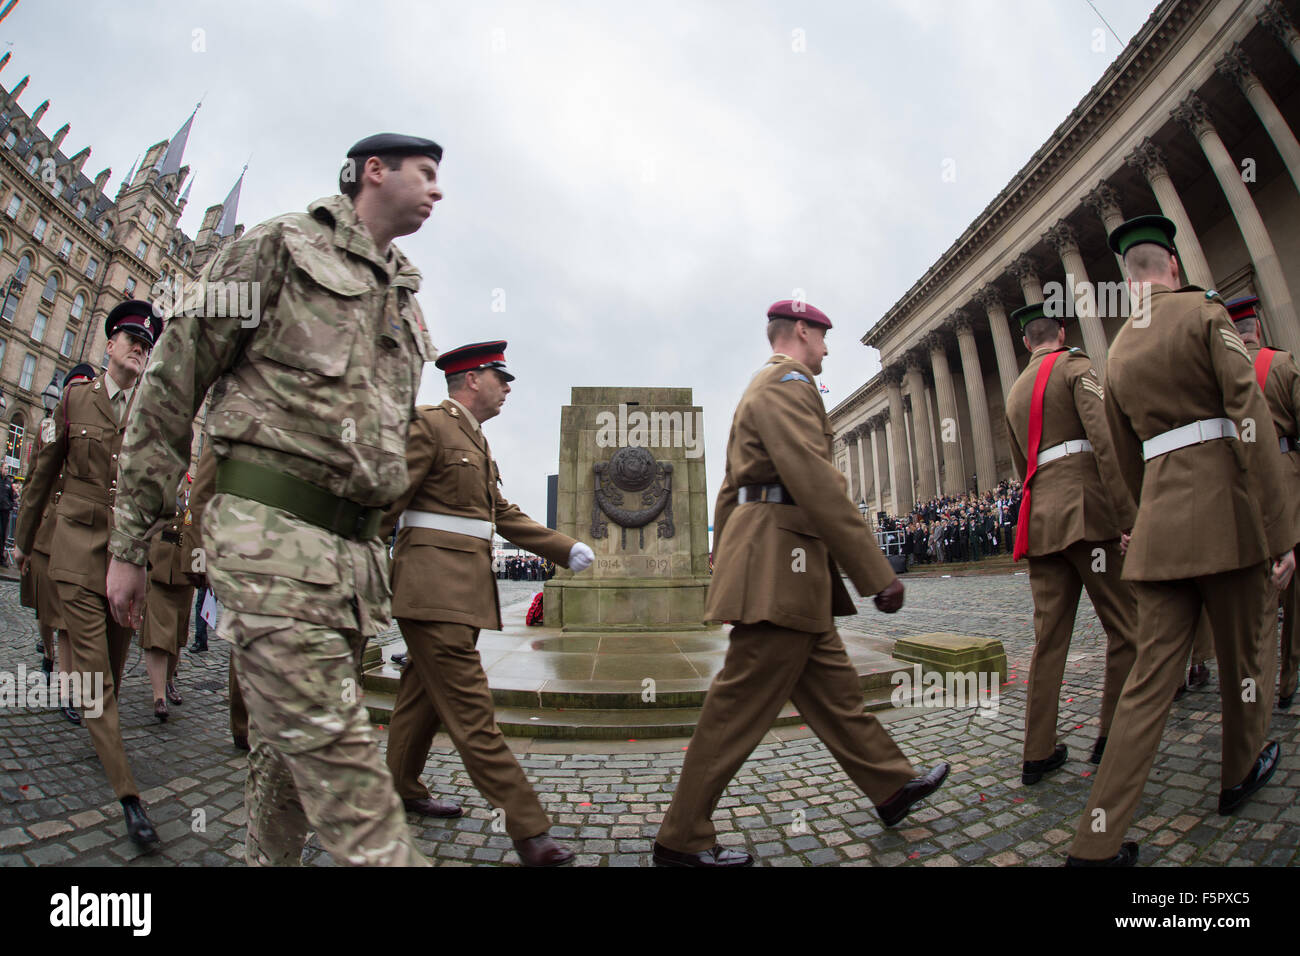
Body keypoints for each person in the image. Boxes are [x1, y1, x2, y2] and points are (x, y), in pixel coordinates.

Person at [105, 133, 443, 867]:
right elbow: (172, 377)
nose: (437, 190)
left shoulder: (408, 304)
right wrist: (131, 543)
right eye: (425, 173)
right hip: (268, 538)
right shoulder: (281, 248)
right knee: (341, 762)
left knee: (289, 756)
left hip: (353, 565)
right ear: (373, 172)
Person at [652, 299, 949, 867]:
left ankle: (890, 786)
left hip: (776, 563)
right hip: (780, 566)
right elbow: (815, 480)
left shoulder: (759, 387)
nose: (828, 350)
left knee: (835, 695)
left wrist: (725, 557)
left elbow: (727, 488)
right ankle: (681, 837)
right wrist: (874, 570)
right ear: (804, 332)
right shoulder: (790, 383)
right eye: (824, 337)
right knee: (736, 709)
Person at [1067, 215, 1296, 866]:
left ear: (1129, 280)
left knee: (1146, 685)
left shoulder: (1118, 353)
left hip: (1160, 533)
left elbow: (1115, 451)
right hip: (1226, 518)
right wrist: (1282, 532)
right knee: (1247, 655)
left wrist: (1138, 516)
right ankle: (1238, 774)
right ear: (1170, 266)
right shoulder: (1204, 313)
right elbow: (1248, 417)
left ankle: (1096, 842)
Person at [381, 341, 594, 867]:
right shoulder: (428, 424)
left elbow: (502, 514)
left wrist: (565, 548)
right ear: (472, 378)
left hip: (463, 592)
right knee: (472, 709)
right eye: (502, 377)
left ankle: (399, 787)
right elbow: (384, 503)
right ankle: (529, 830)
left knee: (421, 697)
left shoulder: (476, 440)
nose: (508, 386)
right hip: (431, 592)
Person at [13, 302, 162, 851]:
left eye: (146, 344)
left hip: (125, 560)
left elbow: (160, 489)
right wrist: (25, 543)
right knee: (98, 675)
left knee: (114, 672)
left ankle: (102, 728)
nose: (139, 347)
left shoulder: (152, 412)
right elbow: (40, 477)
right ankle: (130, 799)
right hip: (75, 553)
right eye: (130, 339)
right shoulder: (75, 399)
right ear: (109, 346)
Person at [1004, 301, 1139, 783]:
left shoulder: (1016, 391)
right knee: (1126, 627)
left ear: (1025, 341)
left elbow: (1024, 469)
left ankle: (1037, 752)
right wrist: (1127, 516)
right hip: (1087, 515)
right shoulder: (1076, 367)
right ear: (1062, 331)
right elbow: (1105, 443)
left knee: (1048, 642)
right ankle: (1111, 735)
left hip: (1042, 520)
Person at [1228, 295, 1300, 710]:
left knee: (1255, 594)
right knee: (1293, 593)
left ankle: (1252, 688)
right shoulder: (1282, 363)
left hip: (1240, 484)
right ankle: (1288, 679)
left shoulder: (1223, 378)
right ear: (1257, 326)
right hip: (1286, 478)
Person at [20, 363, 96, 724]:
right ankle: (48, 652)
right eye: (75, 387)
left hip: (73, 535)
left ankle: (66, 691)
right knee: (46, 609)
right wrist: (25, 533)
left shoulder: (93, 428)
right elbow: (36, 479)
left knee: (65, 615)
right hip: (47, 531)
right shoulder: (50, 426)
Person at [140, 473, 194, 722]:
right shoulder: (156, 477)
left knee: (176, 634)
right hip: (158, 563)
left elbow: (201, 530)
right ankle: (158, 695)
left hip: (186, 568)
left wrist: (201, 570)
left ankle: (170, 680)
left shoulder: (194, 484)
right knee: (157, 635)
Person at [0, 462, 14, 565]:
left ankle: (1, 557)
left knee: (3, 535)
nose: (6, 470)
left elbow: (12, 497)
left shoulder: (8, 482)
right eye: (5, 468)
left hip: (5, 512)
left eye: (7, 469)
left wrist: (10, 505)